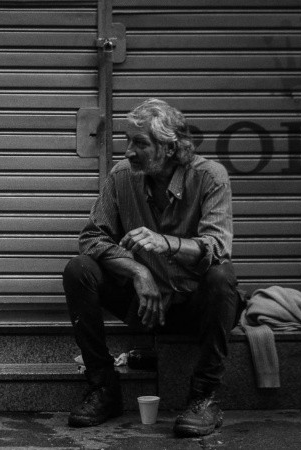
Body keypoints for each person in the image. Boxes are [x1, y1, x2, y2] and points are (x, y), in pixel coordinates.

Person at [64, 99, 238, 437]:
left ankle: (204, 398)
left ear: (171, 147)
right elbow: (91, 238)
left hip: (191, 306)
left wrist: (167, 243)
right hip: (144, 304)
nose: (128, 151)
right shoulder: (121, 176)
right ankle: (103, 388)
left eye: (140, 143)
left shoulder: (210, 176)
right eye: (128, 141)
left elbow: (217, 249)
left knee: (223, 276)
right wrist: (139, 272)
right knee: (79, 269)